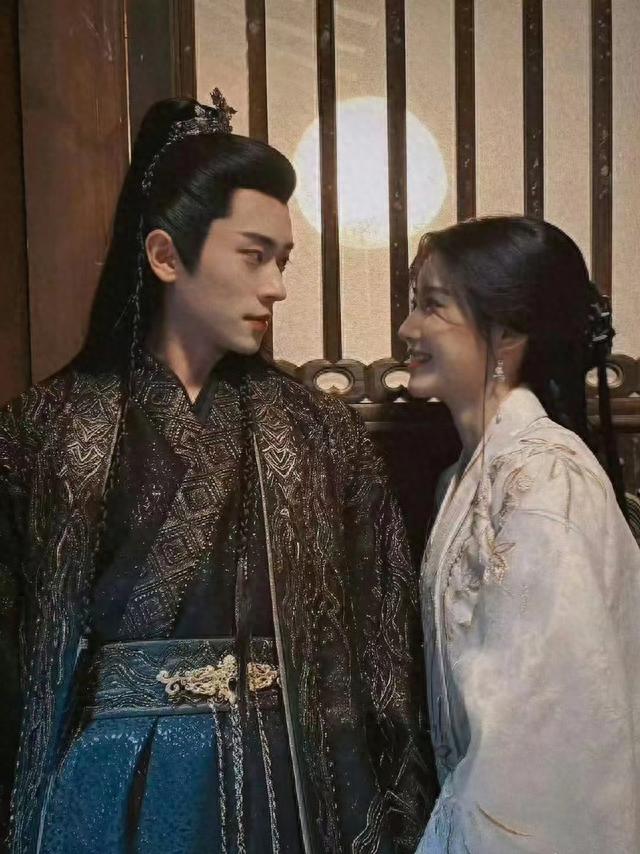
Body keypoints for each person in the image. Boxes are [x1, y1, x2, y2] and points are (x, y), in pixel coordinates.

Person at [0, 93, 435, 854]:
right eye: (253, 255)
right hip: (107, 783)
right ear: (165, 256)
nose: (277, 287)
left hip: (285, 781)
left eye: (283, 260)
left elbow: (380, 642)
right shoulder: (44, 431)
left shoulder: (320, 433)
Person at [399, 216, 640, 853]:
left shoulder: (542, 479)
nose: (408, 329)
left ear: (506, 334)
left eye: (432, 306)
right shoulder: (468, 475)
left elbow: (541, 725)